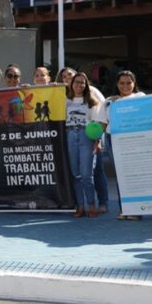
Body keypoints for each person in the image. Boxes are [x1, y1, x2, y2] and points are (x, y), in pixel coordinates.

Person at [95, 70, 145, 221]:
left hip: (135, 139)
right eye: (122, 83)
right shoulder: (109, 101)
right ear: (117, 84)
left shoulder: (140, 97)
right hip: (113, 139)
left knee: (134, 175)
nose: (125, 86)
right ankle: (125, 210)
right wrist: (97, 140)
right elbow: (103, 123)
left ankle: (137, 210)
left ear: (134, 83)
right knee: (121, 176)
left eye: (128, 83)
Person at [65, 72, 101, 218]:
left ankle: (91, 204)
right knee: (75, 174)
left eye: (82, 82)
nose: (79, 85)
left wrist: (97, 142)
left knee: (87, 174)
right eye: (76, 82)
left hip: (86, 136)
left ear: (86, 85)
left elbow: (97, 124)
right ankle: (80, 206)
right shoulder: (65, 100)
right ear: (71, 84)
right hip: (70, 135)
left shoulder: (92, 102)